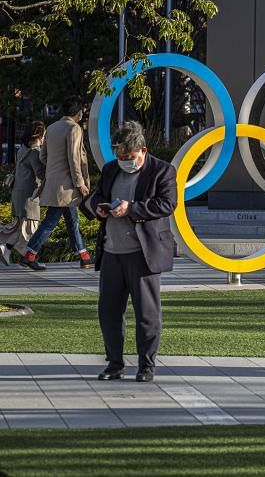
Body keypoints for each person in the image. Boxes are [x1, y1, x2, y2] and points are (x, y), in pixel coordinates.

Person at [91, 121, 177, 383]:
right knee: (109, 312)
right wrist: (98, 207)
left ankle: (146, 366)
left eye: (128, 157)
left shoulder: (162, 171)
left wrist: (131, 209)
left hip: (143, 253)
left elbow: (167, 204)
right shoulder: (110, 170)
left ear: (142, 150)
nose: (124, 162)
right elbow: (96, 196)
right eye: (119, 157)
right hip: (112, 251)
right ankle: (114, 364)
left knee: (147, 314)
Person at [20, 96, 93, 271]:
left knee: (72, 220)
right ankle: (29, 254)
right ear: (78, 111)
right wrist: (80, 183)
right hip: (67, 186)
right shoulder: (73, 128)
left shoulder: (51, 128)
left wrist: (54, 169)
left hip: (54, 183)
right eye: (82, 110)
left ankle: (83, 256)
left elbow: (42, 156)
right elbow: (74, 159)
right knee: (51, 221)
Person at [0, 122, 46, 265]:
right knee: (29, 228)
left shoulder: (22, 150)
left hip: (18, 193)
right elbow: (40, 174)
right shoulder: (35, 152)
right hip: (29, 195)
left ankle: (6, 249)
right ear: (39, 134)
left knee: (19, 226)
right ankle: (28, 258)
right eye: (44, 134)